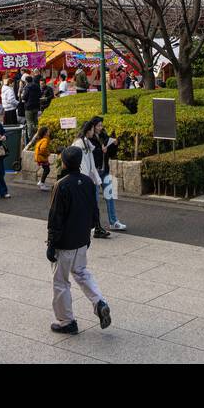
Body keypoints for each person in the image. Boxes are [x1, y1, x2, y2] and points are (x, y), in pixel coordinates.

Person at [46, 146, 112, 335]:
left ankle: (66, 321)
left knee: (60, 282)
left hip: (64, 242)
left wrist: (51, 244)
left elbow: (55, 217)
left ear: (64, 163)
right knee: (82, 272)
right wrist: (91, 231)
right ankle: (99, 302)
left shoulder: (62, 185)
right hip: (82, 239)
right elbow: (94, 211)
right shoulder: (88, 182)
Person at [72, 119, 112, 239]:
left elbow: (91, 163)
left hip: (87, 179)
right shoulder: (79, 143)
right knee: (87, 205)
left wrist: (96, 180)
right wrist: (87, 179)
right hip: (83, 180)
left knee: (93, 206)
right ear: (88, 130)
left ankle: (97, 228)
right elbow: (83, 164)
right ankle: (86, 227)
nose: (93, 131)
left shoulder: (86, 142)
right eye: (92, 129)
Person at [92, 118, 126, 231]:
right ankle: (94, 224)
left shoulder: (103, 136)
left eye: (101, 125)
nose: (100, 128)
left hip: (104, 170)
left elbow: (111, 154)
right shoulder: (89, 139)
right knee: (95, 199)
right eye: (98, 126)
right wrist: (100, 151)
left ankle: (114, 221)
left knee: (110, 195)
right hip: (94, 172)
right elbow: (89, 155)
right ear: (93, 126)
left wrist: (114, 144)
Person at [23, 74, 42, 140]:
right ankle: (37, 134)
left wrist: (23, 98)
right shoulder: (37, 86)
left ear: (26, 81)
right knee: (35, 121)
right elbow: (40, 94)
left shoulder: (27, 87)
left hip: (28, 107)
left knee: (29, 122)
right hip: (36, 106)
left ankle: (31, 137)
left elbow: (24, 97)